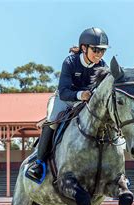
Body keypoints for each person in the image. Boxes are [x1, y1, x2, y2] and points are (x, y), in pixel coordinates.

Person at [26, 27, 109, 184]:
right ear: (84, 48)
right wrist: (80, 95)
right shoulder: (70, 62)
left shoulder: (102, 65)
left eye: (102, 51)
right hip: (64, 99)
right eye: (96, 50)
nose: (99, 54)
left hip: (85, 103)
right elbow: (64, 91)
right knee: (52, 120)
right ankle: (39, 163)